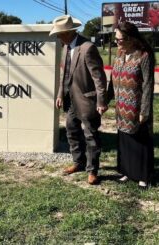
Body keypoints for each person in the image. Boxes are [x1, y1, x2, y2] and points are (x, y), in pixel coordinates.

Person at [49, 15, 108, 185]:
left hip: (87, 101)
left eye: (59, 34)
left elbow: (99, 78)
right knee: (71, 131)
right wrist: (60, 94)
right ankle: (78, 163)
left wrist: (101, 101)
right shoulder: (66, 48)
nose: (57, 37)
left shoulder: (87, 47)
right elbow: (64, 75)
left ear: (68, 32)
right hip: (70, 100)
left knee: (91, 135)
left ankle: (92, 170)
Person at [107, 21, 155, 189]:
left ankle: (143, 176)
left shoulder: (144, 55)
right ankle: (127, 171)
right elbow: (112, 79)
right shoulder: (120, 54)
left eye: (119, 39)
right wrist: (107, 99)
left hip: (136, 107)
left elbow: (148, 84)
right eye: (116, 39)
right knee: (124, 140)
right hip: (121, 107)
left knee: (140, 141)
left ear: (130, 38)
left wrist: (145, 110)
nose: (116, 42)